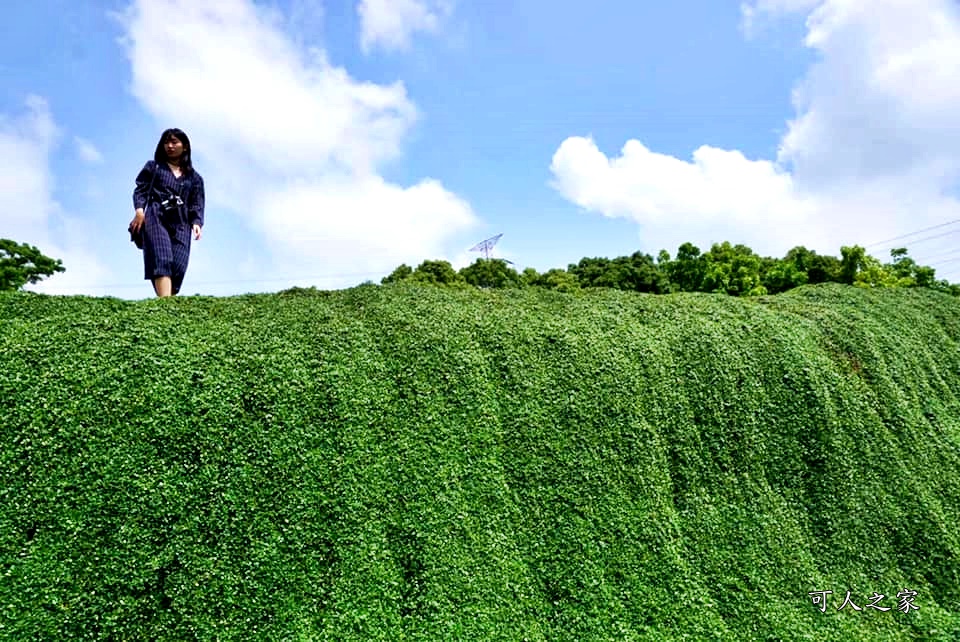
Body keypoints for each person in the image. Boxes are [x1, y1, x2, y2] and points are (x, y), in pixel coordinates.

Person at [128, 128, 205, 297]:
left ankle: (167, 301)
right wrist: (140, 211)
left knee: (178, 265)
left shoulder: (194, 178)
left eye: (174, 142)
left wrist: (197, 222)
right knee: (162, 258)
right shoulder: (154, 167)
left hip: (182, 223)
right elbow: (141, 189)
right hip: (157, 217)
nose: (170, 146)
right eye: (166, 142)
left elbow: (196, 203)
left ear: (184, 147)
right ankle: (165, 306)